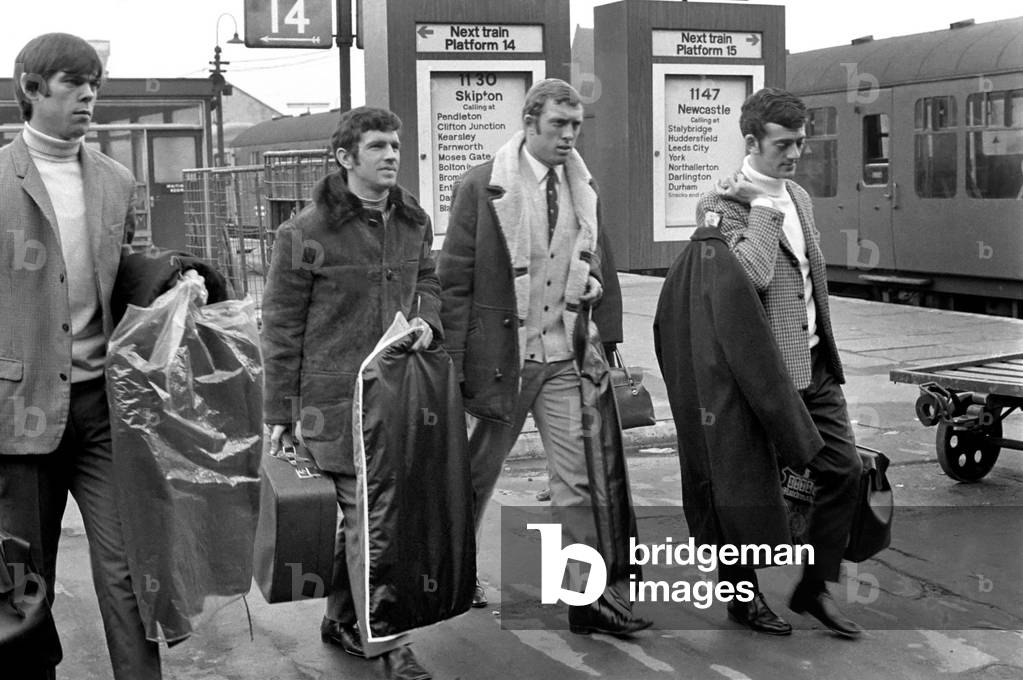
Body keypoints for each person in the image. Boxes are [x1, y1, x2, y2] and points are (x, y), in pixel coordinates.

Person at [438, 78, 650, 636]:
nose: (568, 136)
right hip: (501, 362)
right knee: (474, 478)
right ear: (529, 122)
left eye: (575, 125)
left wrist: (599, 300)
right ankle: (455, 576)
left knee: (576, 481)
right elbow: (454, 281)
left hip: (562, 356)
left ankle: (586, 600)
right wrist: (458, 365)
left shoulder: (583, 185)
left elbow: (597, 256)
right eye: (558, 124)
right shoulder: (481, 186)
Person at [0, 33, 161, 679]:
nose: (90, 94)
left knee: (128, 569)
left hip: (102, 409)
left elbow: (128, 274)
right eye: (73, 82)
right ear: (33, 89)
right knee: (20, 575)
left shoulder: (117, 180)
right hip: (20, 410)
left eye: (95, 82)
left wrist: (174, 277)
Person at [261, 106, 440, 680]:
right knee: (372, 524)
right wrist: (281, 413)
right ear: (345, 158)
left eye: (396, 144)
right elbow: (281, 328)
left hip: (393, 401)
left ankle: (341, 618)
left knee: (368, 522)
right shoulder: (305, 233)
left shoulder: (414, 221)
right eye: (378, 147)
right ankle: (390, 645)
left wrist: (428, 321)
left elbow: (428, 282)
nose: (392, 155)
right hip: (330, 408)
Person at [693, 87, 864, 638]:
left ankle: (814, 587)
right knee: (749, 489)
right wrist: (763, 208)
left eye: (800, 144)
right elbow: (748, 278)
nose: (794, 155)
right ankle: (743, 598)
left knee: (844, 471)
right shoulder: (718, 205)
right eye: (783, 145)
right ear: (751, 142)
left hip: (813, 365)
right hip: (760, 378)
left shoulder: (801, 197)